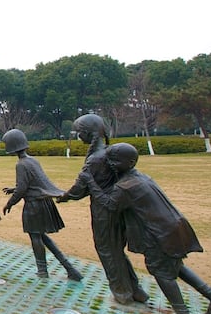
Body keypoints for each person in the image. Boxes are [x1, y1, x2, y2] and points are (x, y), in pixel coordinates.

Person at [81, 143, 211, 314]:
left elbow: (109, 205)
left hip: (158, 234)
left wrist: (90, 182)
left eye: (113, 161)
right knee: (176, 267)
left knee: (162, 272)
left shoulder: (126, 186)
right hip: (174, 227)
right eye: (108, 160)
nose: (109, 164)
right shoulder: (141, 177)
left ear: (128, 163)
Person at [58, 114, 147, 304]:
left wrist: (64, 196)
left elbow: (81, 188)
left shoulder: (95, 159)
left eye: (80, 132)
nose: (79, 136)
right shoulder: (107, 153)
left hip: (104, 212)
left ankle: (122, 292)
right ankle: (136, 290)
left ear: (88, 133)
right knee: (116, 250)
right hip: (117, 209)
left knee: (107, 251)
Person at [1, 129, 82, 280]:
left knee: (36, 237)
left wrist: (9, 203)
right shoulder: (32, 160)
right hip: (44, 202)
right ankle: (70, 269)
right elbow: (32, 182)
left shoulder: (21, 164)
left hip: (34, 205)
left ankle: (43, 271)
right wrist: (14, 189)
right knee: (42, 236)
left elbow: (22, 190)